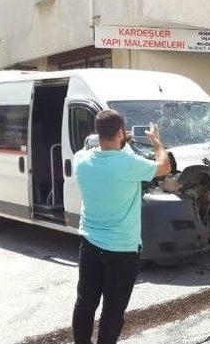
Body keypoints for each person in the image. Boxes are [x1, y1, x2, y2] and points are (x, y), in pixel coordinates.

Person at [72, 110, 171, 344]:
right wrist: (156, 141)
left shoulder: (81, 160)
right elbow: (164, 165)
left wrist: (118, 142)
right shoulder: (129, 164)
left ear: (98, 133)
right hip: (122, 250)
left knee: (85, 303)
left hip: (89, 244)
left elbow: (90, 150)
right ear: (120, 132)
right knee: (112, 311)